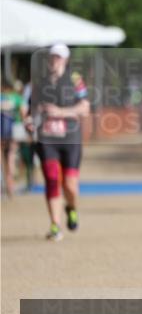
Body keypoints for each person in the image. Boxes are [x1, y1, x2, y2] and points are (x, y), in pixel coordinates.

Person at [25, 44, 90, 241]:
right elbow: (31, 110)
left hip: (70, 139)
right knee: (52, 180)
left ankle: (71, 207)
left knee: (70, 185)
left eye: (59, 57)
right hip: (47, 140)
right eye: (52, 57)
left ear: (66, 60)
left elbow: (85, 108)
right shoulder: (39, 82)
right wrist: (30, 121)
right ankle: (55, 225)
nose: (55, 60)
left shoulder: (75, 80)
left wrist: (61, 112)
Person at [0, 78, 23, 198]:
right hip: (12, 133)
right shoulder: (17, 98)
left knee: (2, 161)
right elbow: (23, 113)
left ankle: (4, 185)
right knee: (11, 160)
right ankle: (11, 188)